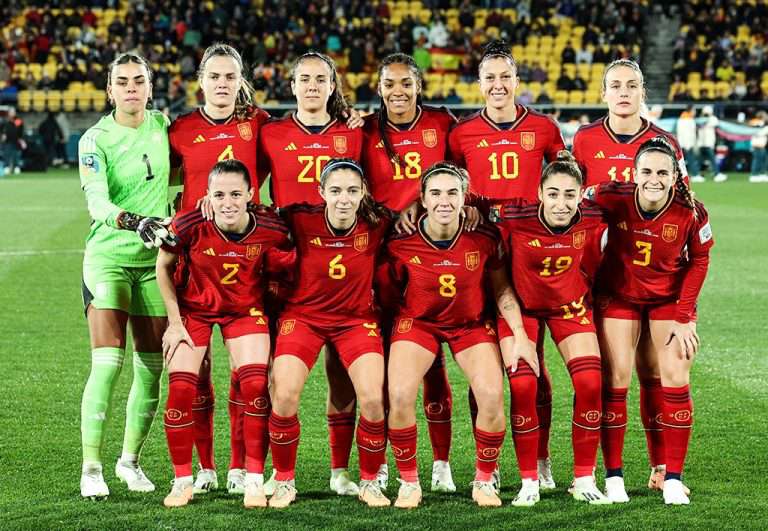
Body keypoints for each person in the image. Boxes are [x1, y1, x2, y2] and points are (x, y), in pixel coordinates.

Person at [448, 40, 566, 489]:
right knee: (485, 367)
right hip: (478, 256)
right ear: (479, 84)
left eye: (505, 77)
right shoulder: (461, 134)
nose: (498, 85)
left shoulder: (544, 128)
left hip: (531, 256)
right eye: (490, 78)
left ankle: (542, 458)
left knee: (532, 360)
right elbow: (448, 188)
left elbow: (566, 181)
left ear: (517, 81)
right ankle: (491, 464)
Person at [572, 60, 689, 496]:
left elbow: (685, 204)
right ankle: (603, 472)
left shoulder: (665, 142)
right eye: (616, 85)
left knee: (654, 372)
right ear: (604, 93)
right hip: (607, 278)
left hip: (658, 278)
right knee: (612, 374)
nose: (624, 92)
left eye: (632, 85)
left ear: (643, 92)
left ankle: (662, 468)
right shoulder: (584, 139)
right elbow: (570, 198)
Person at [259, 51, 366, 497]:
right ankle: (267, 470)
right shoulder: (270, 132)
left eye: (321, 79)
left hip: (340, 267)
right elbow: (241, 183)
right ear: (292, 85)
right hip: (285, 265)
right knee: (272, 375)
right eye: (304, 79)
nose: (312, 86)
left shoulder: (354, 133)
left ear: (332, 85)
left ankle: (340, 472)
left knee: (342, 371)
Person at [155, 159, 290, 508]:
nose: (227, 203)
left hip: (245, 312)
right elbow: (163, 267)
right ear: (207, 196)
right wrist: (175, 322)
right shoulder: (188, 224)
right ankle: (183, 480)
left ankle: (253, 479)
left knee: (255, 384)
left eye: (235, 194)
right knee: (181, 388)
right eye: (219, 195)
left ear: (250, 194)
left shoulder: (273, 227)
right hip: (194, 311)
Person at [168, 43, 270, 496]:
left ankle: (238, 466)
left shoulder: (260, 124)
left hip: (246, 259)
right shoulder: (180, 130)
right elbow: (162, 175)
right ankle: (205, 467)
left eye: (230, 76)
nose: (222, 84)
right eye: (214, 76)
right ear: (201, 81)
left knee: (245, 374)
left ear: (240, 80)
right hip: (195, 261)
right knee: (198, 373)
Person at [588, 137, 713, 505]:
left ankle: (671, 477)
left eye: (662, 172)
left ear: (675, 176)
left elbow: (700, 260)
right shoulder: (610, 195)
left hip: (667, 300)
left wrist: (685, 316)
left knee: (673, 375)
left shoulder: (692, 211)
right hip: (618, 295)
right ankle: (613, 477)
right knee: (616, 378)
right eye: (646, 171)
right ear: (634, 173)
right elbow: (571, 200)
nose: (654, 179)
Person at [386, 162, 517, 509]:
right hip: (419, 323)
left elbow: (502, 289)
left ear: (464, 197)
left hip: (469, 325)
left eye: (452, 193)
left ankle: (484, 480)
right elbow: (389, 292)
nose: (444, 201)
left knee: (491, 395)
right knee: (399, 394)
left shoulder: (485, 237)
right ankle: (409, 482)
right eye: (436, 193)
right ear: (422, 199)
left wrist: (518, 332)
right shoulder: (400, 241)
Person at [78, 52, 175, 499]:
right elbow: (97, 201)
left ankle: (129, 462)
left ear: (150, 88)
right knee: (107, 363)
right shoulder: (94, 139)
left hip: (154, 264)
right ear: (110, 90)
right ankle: (91, 467)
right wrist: (136, 222)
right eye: (123, 81)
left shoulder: (163, 126)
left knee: (152, 369)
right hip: (109, 259)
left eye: (139, 80)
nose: (131, 88)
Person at [267, 159, 391, 508]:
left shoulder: (380, 222)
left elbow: (421, 220)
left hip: (355, 320)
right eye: (335, 191)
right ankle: (284, 481)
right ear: (321, 192)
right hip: (303, 318)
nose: (343, 199)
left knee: (372, 399)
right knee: (284, 394)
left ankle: (370, 483)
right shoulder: (297, 218)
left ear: (363, 192)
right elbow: (254, 218)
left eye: (352, 191)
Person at [361, 52, 459, 492]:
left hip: (432, 254)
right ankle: (380, 460)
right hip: (378, 259)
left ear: (419, 85)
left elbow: (459, 177)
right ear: (379, 88)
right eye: (389, 84)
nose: (397, 91)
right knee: (381, 363)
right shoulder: (365, 130)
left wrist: (422, 203)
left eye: (405, 83)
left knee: (432, 360)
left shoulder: (442, 123)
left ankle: (441, 463)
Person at [491, 152, 611, 506]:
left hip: (569, 307)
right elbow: (477, 206)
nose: (561, 203)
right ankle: (530, 479)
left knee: (591, 383)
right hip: (521, 309)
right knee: (524, 384)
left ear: (581, 194)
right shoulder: (514, 217)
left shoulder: (594, 217)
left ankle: (584, 477)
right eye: (553, 194)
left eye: (570, 195)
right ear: (540, 193)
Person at [698, 105, 727, 182]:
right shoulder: (708, 119)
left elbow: (715, 123)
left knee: (701, 160)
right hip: (706, 144)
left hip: (703, 143)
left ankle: (698, 174)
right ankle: (716, 174)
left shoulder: (705, 119)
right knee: (712, 160)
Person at [676, 106, 700, 182]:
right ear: (691, 110)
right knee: (691, 159)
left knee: (680, 160)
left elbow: (679, 132)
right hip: (688, 143)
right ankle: (695, 175)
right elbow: (690, 133)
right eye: (694, 110)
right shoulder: (690, 120)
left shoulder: (680, 119)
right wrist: (690, 144)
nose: (695, 112)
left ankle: (678, 176)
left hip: (681, 143)